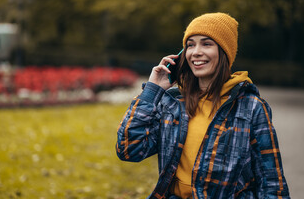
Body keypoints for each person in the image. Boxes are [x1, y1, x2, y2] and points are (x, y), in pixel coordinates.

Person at [116, 12, 290, 199]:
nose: (196, 52)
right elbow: (129, 149)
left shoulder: (251, 108)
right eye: (190, 45)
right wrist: (152, 91)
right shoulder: (173, 103)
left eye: (207, 44)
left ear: (224, 52)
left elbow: (271, 181)